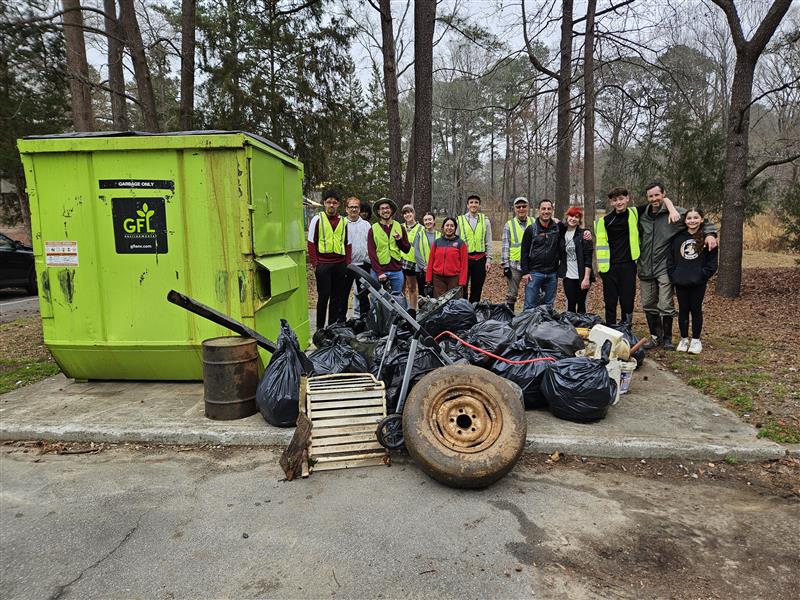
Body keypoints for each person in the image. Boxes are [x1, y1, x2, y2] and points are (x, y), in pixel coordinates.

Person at [638, 182, 717, 350]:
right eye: (650, 196)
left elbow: (700, 220)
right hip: (645, 267)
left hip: (664, 266)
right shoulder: (642, 215)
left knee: (666, 304)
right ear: (647, 197)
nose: (654, 199)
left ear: (663, 194)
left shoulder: (676, 213)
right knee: (648, 304)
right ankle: (655, 337)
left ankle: (667, 339)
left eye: (657, 195)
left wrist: (711, 234)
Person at [667, 208, 718, 354]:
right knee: (683, 310)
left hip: (698, 282)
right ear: (685, 220)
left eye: (696, 218)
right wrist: (674, 275)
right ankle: (684, 339)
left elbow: (712, 262)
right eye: (689, 218)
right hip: (681, 281)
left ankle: (696, 340)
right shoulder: (678, 237)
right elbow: (670, 259)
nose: (692, 221)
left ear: (702, 220)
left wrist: (702, 275)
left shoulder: (708, 238)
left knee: (696, 309)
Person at [594, 187, 640, 325]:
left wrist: (671, 208)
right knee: (610, 300)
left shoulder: (635, 213)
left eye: (621, 199)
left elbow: (656, 204)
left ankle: (626, 326)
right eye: (615, 200)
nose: (619, 202)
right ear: (611, 202)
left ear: (627, 199)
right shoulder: (605, 221)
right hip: (610, 266)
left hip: (628, 265)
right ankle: (611, 327)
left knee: (627, 299)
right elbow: (599, 243)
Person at [307, 189, 351, 329]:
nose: (331, 205)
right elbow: (311, 242)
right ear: (324, 203)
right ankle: (320, 328)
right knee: (324, 296)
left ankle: (332, 327)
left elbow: (348, 243)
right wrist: (315, 263)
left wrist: (347, 263)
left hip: (340, 264)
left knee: (336, 297)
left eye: (334, 202)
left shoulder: (344, 221)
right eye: (329, 202)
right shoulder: (317, 219)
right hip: (323, 264)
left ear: (338, 204)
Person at [520, 199, 561, 310]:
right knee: (530, 306)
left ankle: (545, 322)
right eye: (543, 209)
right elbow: (524, 251)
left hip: (552, 273)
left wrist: (586, 232)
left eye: (549, 209)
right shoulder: (531, 229)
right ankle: (529, 322)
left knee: (548, 307)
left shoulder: (557, 228)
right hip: (534, 273)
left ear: (552, 210)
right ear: (539, 210)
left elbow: (574, 228)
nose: (546, 211)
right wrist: (525, 272)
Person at [367, 197, 410, 294]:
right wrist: (379, 272)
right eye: (382, 208)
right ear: (378, 212)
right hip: (378, 270)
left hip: (396, 270)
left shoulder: (400, 227)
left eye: (387, 208)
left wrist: (399, 240)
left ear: (391, 210)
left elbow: (406, 249)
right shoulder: (373, 229)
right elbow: (372, 253)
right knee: (376, 299)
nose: (385, 210)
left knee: (397, 298)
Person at [456, 194, 492, 302]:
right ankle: (463, 308)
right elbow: (456, 241)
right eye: (471, 202)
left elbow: (489, 241)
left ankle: (474, 308)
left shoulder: (485, 220)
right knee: (462, 287)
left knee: (477, 288)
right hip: (465, 259)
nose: (473, 205)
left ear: (479, 205)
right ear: (467, 205)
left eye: (476, 203)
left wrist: (489, 259)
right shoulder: (460, 220)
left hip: (480, 259)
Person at [558, 206, 594, 313]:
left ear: (579, 220)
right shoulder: (562, 233)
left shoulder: (584, 235)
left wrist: (586, 278)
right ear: (567, 217)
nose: (573, 219)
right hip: (568, 276)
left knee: (581, 304)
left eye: (576, 217)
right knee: (571, 304)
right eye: (571, 216)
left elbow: (588, 258)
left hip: (582, 276)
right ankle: (571, 324)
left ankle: (581, 323)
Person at [341, 196, 372, 320]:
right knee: (343, 294)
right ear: (346, 209)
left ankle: (365, 319)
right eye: (351, 207)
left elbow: (370, 244)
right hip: (346, 265)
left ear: (359, 209)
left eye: (356, 207)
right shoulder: (341, 223)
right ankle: (340, 320)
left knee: (363, 294)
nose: (354, 209)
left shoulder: (366, 225)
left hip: (363, 265)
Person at [500, 197, 531, 310]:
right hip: (514, 265)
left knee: (533, 294)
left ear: (528, 207)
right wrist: (506, 266)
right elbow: (505, 245)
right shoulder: (509, 224)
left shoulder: (534, 222)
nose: (521, 209)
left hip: (531, 265)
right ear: (514, 208)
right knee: (511, 295)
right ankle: (510, 317)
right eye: (518, 207)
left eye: (524, 206)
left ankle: (530, 316)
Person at [426, 217, 468, 297]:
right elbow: (431, 261)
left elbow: (464, 264)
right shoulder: (437, 242)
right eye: (447, 225)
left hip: (454, 279)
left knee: (453, 302)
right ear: (443, 227)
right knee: (439, 302)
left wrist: (462, 282)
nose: (449, 228)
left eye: (452, 226)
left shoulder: (461, 243)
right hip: (438, 279)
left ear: (455, 228)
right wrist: (428, 278)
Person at [399, 204, 423, 316]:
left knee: (412, 287)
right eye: (405, 213)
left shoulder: (421, 228)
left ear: (413, 213)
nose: (407, 215)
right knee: (400, 288)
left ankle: (412, 311)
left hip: (412, 262)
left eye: (409, 212)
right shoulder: (400, 227)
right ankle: (402, 310)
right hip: (400, 261)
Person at [414, 212, 440, 298]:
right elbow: (416, 252)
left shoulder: (439, 235)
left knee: (434, 295)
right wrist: (424, 267)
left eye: (430, 219)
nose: (428, 222)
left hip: (435, 270)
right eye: (425, 220)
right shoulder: (419, 235)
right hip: (421, 270)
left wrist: (433, 267)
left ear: (434, 220)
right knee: (422, 295)